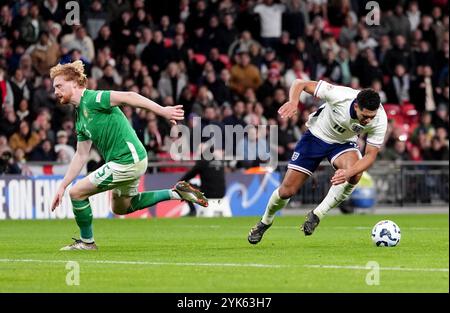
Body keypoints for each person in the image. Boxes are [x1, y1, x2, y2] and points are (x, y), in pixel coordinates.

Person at [49, 61, 208, 251]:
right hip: (129, 161)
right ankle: (176, 193)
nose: (56, 92)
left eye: (59, 86)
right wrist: (62, 185)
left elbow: (129, 96)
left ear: (74, 83)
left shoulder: (93, 99)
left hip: (127, 160)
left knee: (77, 193)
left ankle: (87, 242)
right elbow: (81, 154)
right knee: (121, 208)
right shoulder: (80, 117)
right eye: (54, 88)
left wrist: (163, 111)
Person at [248, 79, 387, 244]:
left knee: (355, 174)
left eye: (371, 117)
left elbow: (370, 155)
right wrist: (293, 102)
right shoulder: (340, 95)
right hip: (316, 137)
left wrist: (347, 173)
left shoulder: (380, 119)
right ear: (356, 106)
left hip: (342, 144)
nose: (368, 121)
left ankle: (317, 214)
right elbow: (300, 83)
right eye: (365, 117)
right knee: (287, 191)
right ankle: (265, 221)